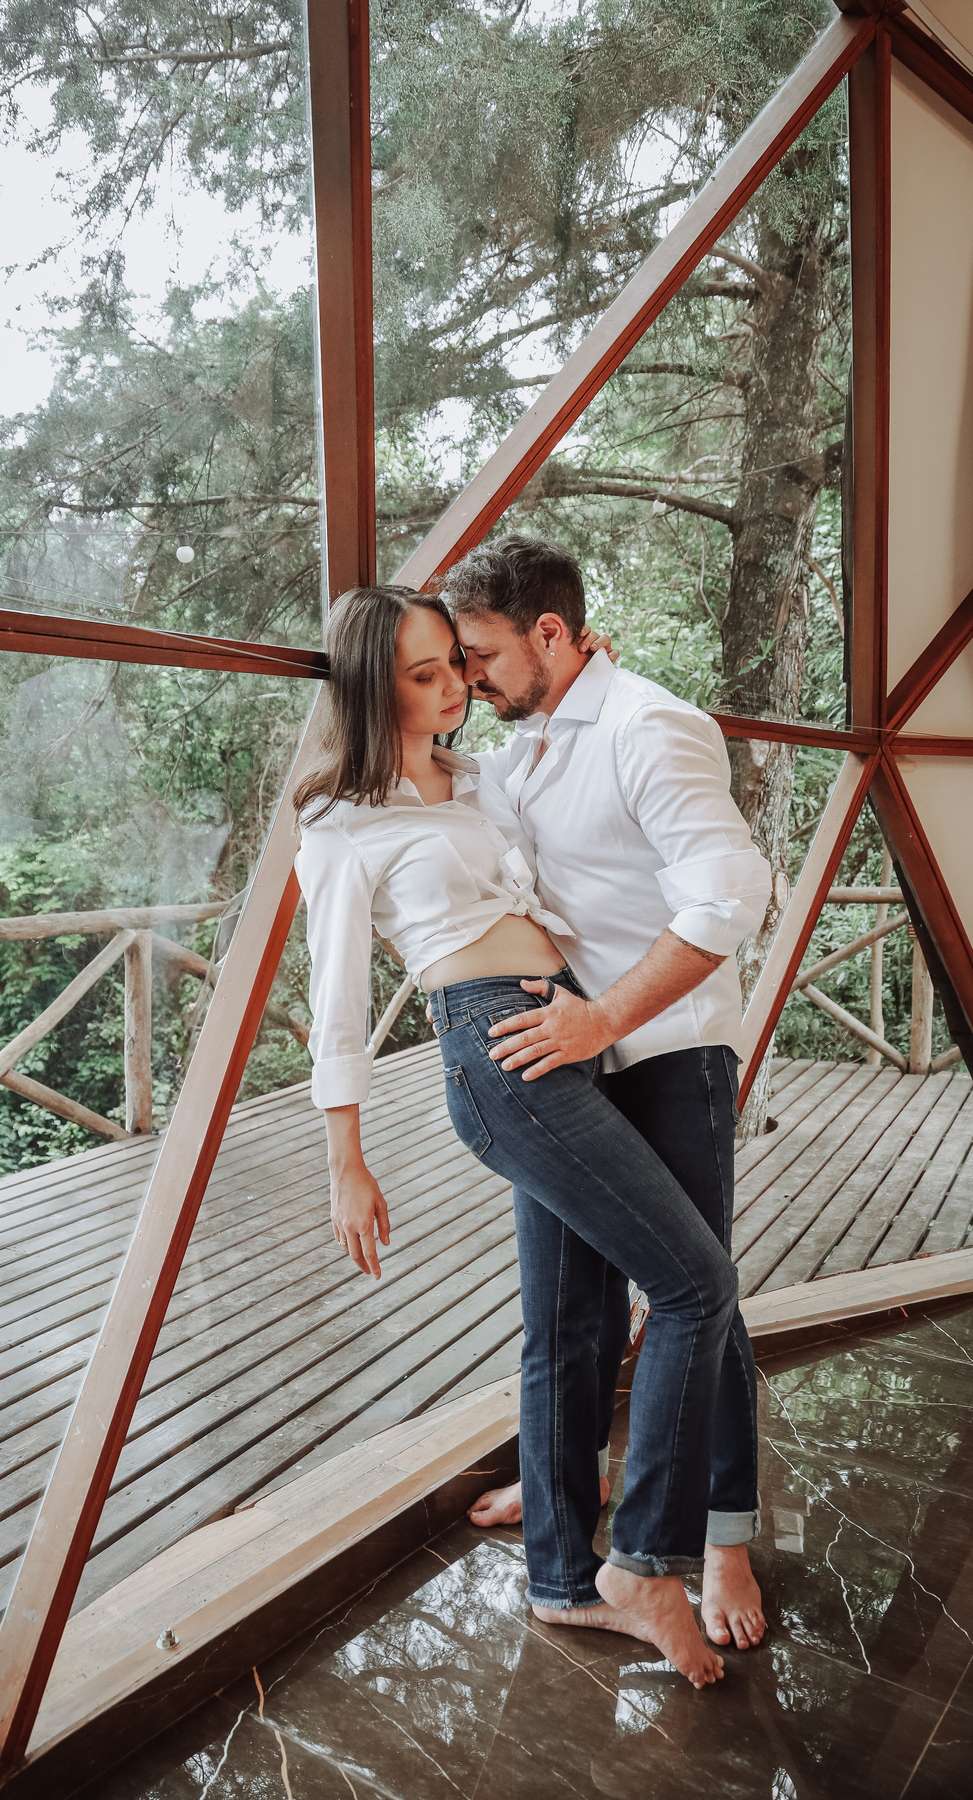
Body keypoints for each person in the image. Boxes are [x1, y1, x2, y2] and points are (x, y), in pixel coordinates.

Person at [294, 583, 743, 1690]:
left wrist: (594, 662)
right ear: (367, 685)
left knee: (568, 1325)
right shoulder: (340, 824)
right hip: (494, 1049)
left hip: (569, 1027)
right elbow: (337, 1001)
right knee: (695, 1287)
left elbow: (559, 744)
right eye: (425, 673)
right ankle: (644, 1562)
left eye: (457, 662)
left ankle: (558, 1579)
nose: (455, 688)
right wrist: (345, 1159)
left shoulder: (481, 776)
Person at [446, 534, 771, 1654]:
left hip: (666, 1051)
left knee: (700, 1298)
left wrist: (605, 1018)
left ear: (551, 633)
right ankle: (564, 1510)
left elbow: (730, 900)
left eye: (483, 652)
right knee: (564, 1320)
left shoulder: (650, 725)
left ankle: (717, 1537)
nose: (472, 675)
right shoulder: (521, 745)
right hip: (565, 1070)